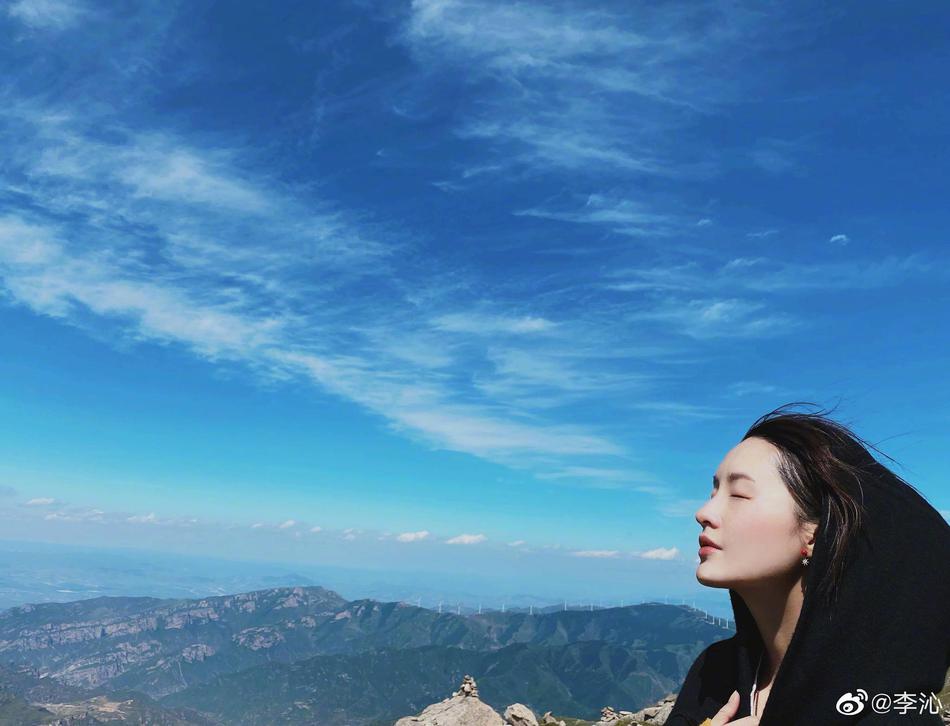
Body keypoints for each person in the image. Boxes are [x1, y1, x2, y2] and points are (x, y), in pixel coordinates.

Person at [665, 403, 950, 725]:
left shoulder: (888, 714)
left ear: (816, 533)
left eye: (739, 494)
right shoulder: (715, 672)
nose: (703, 512)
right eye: (714, 492)